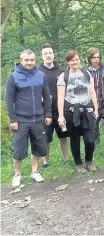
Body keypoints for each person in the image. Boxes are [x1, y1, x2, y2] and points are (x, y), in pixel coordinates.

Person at [6, 49, 52, 187]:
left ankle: (35, 171)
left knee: (38, 147)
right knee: (19, 149)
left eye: (32, 60)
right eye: (26, 60)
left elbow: (47, 96)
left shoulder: (41, 76)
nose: (29, 63)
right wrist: (12, 119)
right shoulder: (13, 77)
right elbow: (9, 100)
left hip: (38, 118)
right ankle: (17, 174)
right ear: (21, 61)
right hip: (21, 120)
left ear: (35, 61)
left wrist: (48, 114)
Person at [57, 50, 98, 173]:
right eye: (72, 60)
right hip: (71, 112)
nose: (75, 62)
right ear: (68, 62)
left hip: (87, 110)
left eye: (77, 59)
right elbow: (60, 98)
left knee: (90, 139)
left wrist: (96, 109)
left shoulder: (86, 74)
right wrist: (61, 116)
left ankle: (89, 162)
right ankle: (78, 163)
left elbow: (92, 92)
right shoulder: (64, 77)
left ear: (80, 60)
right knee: (74, 138)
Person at [39, 43, 69, 168]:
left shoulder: (61, 71)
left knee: (63, 135)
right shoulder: (38, 71)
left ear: (53, 54)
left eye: (50, 53)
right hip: (45, 110)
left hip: (60, 109)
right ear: (42, 56)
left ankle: (66, 159)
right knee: (46, 138)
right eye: (45, 53)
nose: (48, 55)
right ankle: (46, 162)